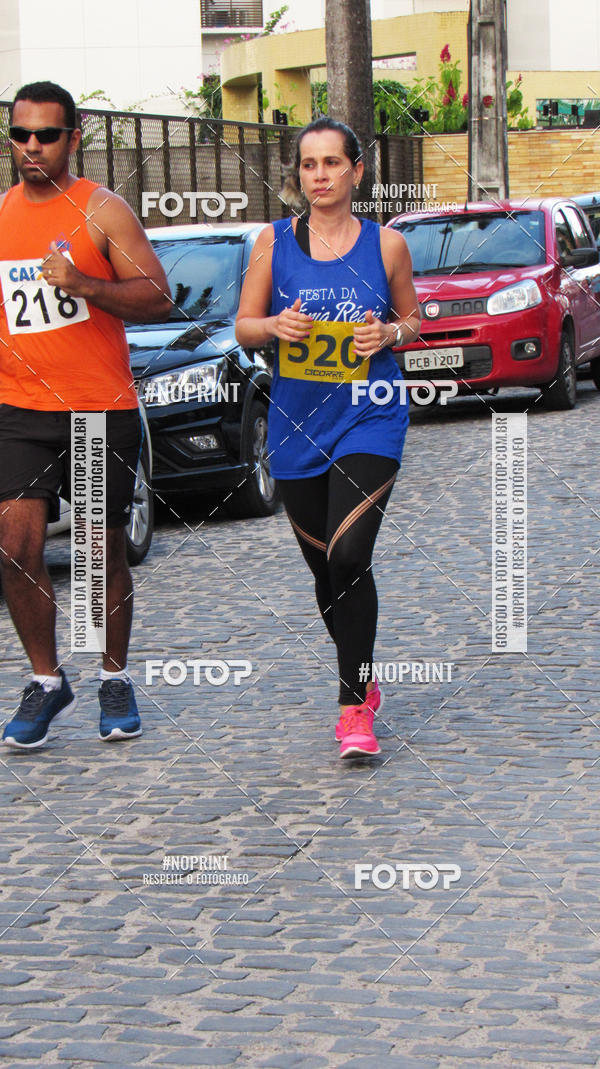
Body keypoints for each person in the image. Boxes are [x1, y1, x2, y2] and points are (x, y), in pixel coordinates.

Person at [236, 117, 421, 759]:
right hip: (297, 422)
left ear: (357, 172)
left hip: (371, 412)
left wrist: (388, 336)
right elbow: (243, 327)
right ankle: (362, 675)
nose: (319, 175)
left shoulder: (387, 245)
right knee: (325, 569)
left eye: (331, 163)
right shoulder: (271, 243)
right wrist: (275, 326)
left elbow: (412, 318)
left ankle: (352, 708)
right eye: (308, 164)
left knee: (348, 556)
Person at [0, 81, 171, 750]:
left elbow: (158, 296)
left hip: (99, 408)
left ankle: (112, 674)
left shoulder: (103, 210)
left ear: (74, 136)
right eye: (20, 135)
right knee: (15, 547)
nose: (32, 147)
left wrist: (84, 285)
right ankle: (46, 680)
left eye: (46, 134)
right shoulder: (2, 215)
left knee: (100, 555)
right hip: (19, 408)